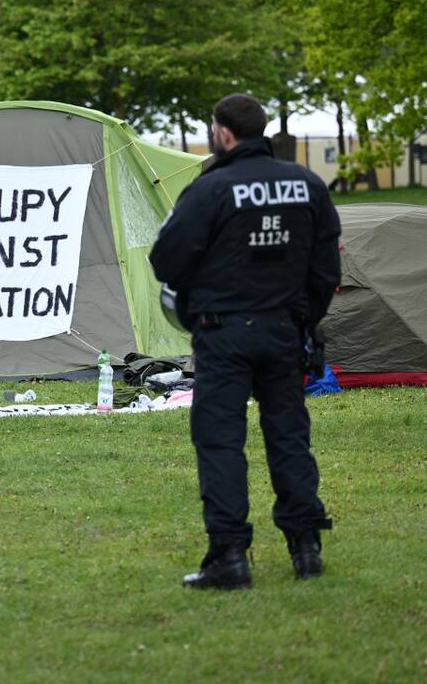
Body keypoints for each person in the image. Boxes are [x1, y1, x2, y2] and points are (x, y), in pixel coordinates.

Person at [150, 93, 340, 590]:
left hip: (223, 333)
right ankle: (307, 549)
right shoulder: (308, 185)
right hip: (285, 332)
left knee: (219, 442)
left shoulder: (210, 188)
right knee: (289, 438)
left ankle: (229, 557)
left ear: (224, 134)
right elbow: (327, 270)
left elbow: (165, 260)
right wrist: (301, 321)